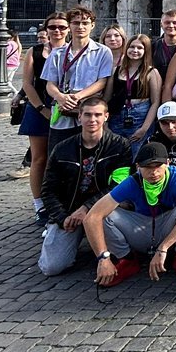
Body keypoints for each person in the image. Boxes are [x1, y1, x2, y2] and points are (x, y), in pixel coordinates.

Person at [84, 142, 176, 285]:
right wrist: (103, 258)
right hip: (141, 229)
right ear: (138, 167)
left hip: (168, 227)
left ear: (167, 163)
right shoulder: (132, 182)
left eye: (158, 166)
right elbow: (91, 217)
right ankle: (127, 259)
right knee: (105, 215)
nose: (154, 172)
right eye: (147, 167)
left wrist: (163, 248)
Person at [38, 98, 132, 276]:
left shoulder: (120, 146)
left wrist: (87, 208)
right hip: (69, 211)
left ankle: (109, 247)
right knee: (51, 267)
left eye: (98, 115)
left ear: (106, 117)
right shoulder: (61, 149)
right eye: (88, 115)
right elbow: (48, 190)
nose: (92, 119)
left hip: (104, 209)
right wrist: (62, 218)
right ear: (79, 116)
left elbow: (119, 186)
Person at [17, 12, 69, 224]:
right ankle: (39, 204)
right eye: (53, 27)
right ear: (46, 29)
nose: (57, 31)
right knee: (39, 158)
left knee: (64, 156)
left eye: (62, 27)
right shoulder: (35, 52)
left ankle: (61, 199)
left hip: (65, 107)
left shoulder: (73, 51)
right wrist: (41, 108)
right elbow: (27, 84)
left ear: (68, 29)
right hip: (39, 105)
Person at [42, 5, 114, 153]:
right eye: (76, 23)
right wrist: (60, 97)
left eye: (85, 23)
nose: (80, 27)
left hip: (89, 110)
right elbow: (50, 83)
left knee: (90, 155)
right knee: (59, 154)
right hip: (63, 110)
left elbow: (102, 81)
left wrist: (77, 96)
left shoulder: (103, 52)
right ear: (69, 26)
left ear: (92, 25)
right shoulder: (57, 53)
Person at [104, 33, 161, 156]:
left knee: (136, 155)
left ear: (146, 51)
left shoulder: (151, 72)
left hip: (140, 118)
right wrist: (105, 123)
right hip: (117, 116)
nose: (135, 50)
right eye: (132, 47)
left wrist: (144, 128)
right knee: (116, 155)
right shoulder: (116, 70)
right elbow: (107, 98)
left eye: (140, 48)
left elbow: (155, 102)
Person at [152, 9, 176, 81]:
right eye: (167, 22)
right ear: (161, 25)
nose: (171, 26)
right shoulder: (152, 46)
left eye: (175, 23)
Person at [5, 30, 23, 96]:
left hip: (9, 64)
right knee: (9, 80)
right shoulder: (16, 43)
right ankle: (9, 92)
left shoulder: (9, 43)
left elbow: (6, 53)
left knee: (5, 81)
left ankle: (15, 91)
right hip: (15, 64)